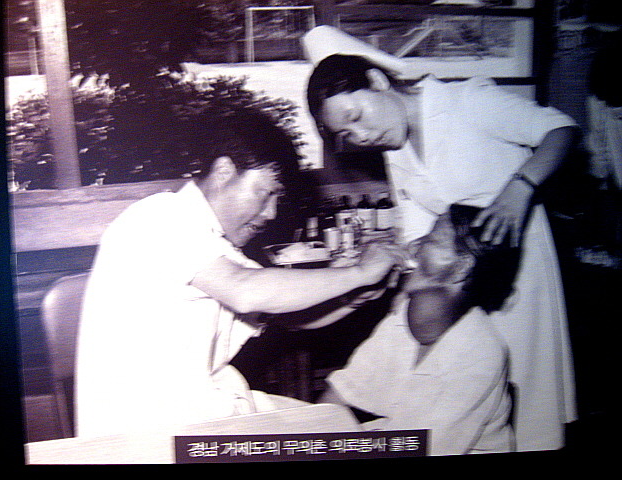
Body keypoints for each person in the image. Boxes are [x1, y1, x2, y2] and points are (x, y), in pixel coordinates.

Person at [303, 25, 578, 451]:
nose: (361, 137)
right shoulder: (397, 150)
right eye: (347, 135)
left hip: (518, 274)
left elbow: (560, 130)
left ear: (377, 81)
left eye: (356, 118)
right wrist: (397, 279)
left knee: (529, 405)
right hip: (456, 286)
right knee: (467, 403)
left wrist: (520, 189)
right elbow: (419, 233)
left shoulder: (466, 102)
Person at [74, 110, 406, 438]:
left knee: (335, 424)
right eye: (266, 193)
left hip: (197, 409)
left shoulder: (213, 242)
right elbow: (245, 291)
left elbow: (290, 316)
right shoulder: (160, 218)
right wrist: (359, 272)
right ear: (224, 171)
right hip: (149, 427)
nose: (271, 213)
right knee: (337, 436)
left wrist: (351, 298)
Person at [320, 204, 521, 456]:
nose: (414, 247)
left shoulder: (480, 351)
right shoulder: (405, 316)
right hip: (394, 442)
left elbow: (421, 449)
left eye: (431, 241)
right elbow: (338, 395)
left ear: (461, 268)